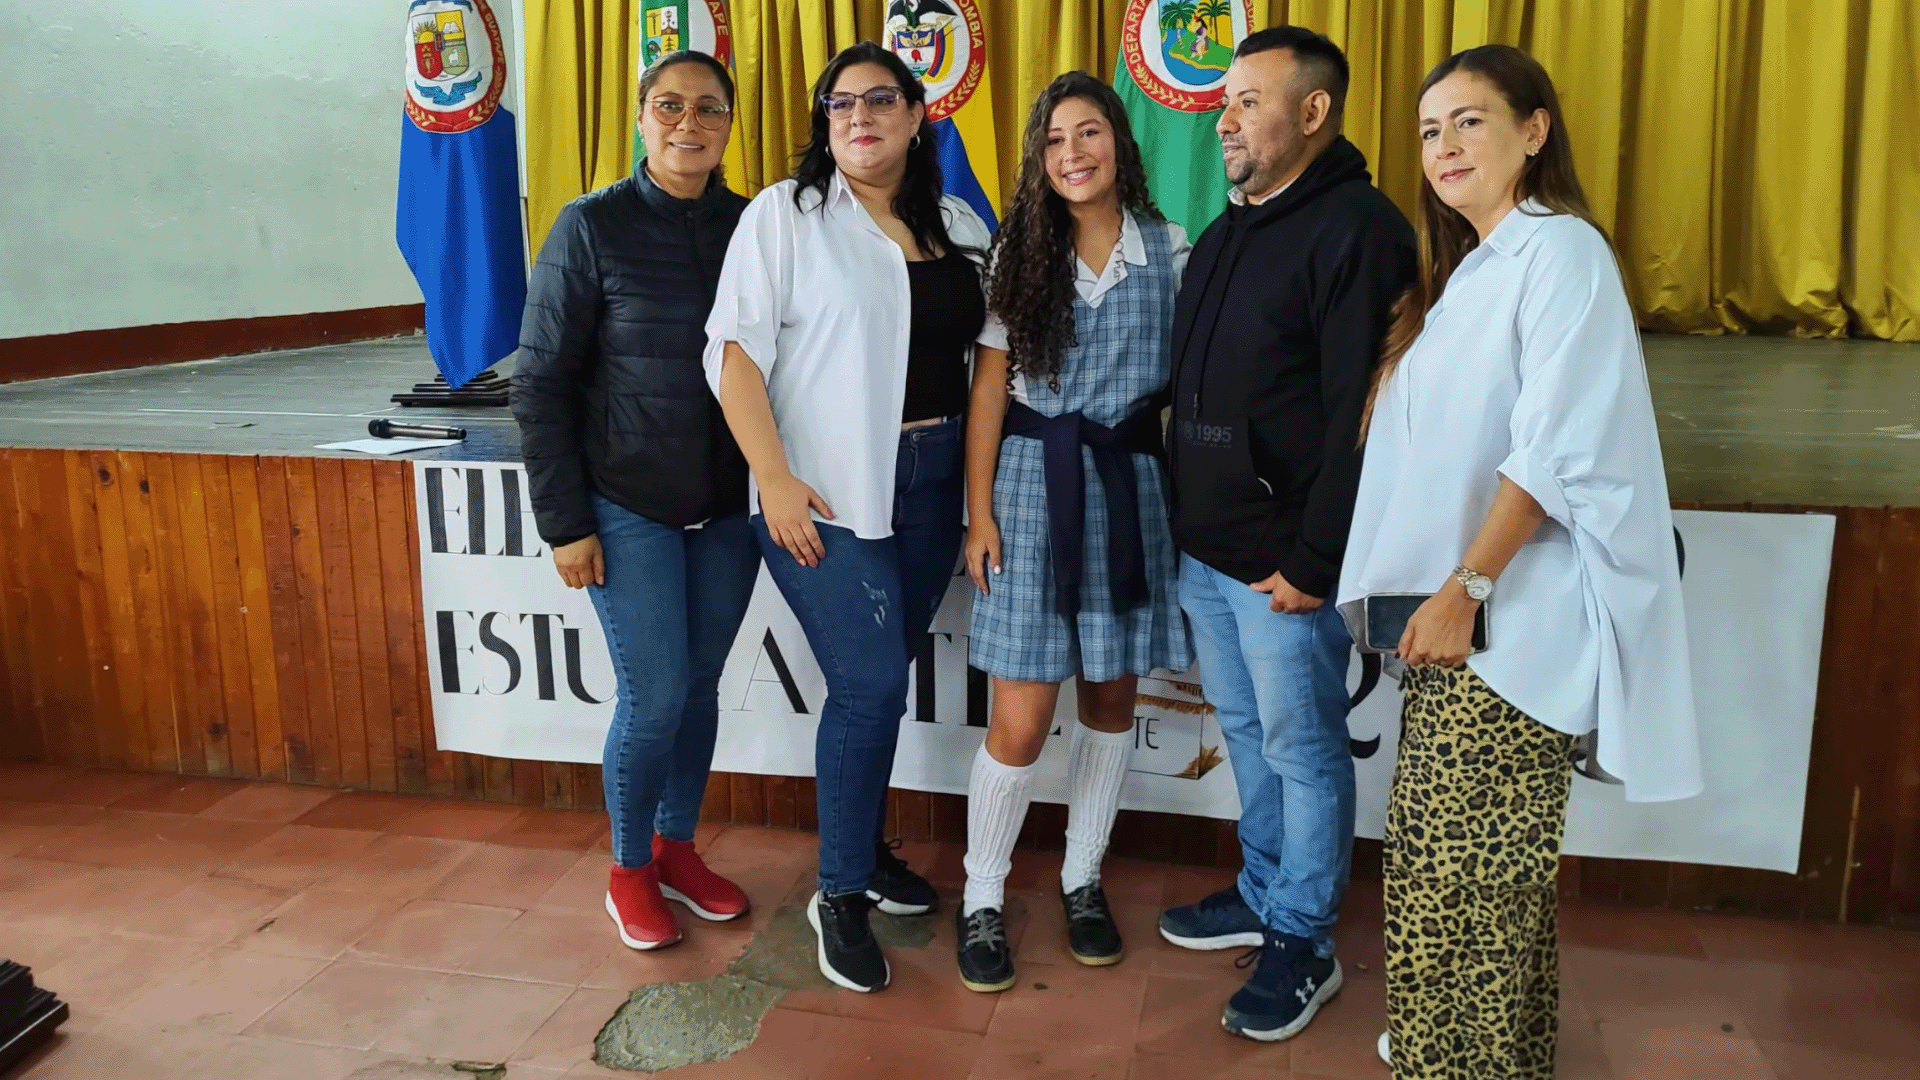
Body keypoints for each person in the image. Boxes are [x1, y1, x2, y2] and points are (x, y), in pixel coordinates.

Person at [1337, 44, 1700, 1077]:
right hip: (1465, 625)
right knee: (1466, 879)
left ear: (1534, 130)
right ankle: (1487, 1059)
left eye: (1470, 121)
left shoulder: (1560, 252)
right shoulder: (1475, 269)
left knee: (1465, 889)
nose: (1445, 146)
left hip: (1513, 630)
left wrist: (1466, 587)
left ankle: (1458, 1065)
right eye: (1430, 130)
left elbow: (1554, 449)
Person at [704, 41, 991, 994]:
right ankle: (838, 892)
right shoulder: (785, 216)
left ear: (917, 114)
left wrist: (978, 499)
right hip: (820, 495)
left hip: (932, 483)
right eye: (839, 104)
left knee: (882, 680)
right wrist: (773, 478)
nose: (857, 117)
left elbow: (988, 361)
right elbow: (733, 354)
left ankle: (863, 854)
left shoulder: (959, 224)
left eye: (878, 100)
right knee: (869, 685)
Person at [1156, 26, 1416, 1042]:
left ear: (1313, 112)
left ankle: (1303, 938)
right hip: (1209, 552)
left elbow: (1365, 413)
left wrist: (1314, 558)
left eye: (1248, 101)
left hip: (1283, 566)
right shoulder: (1230, 226)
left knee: (1304, 750)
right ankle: (1266, 891)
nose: (1224, 119)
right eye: (1224, 100)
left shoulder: (1360, 231)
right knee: (1251, 734)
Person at [510, 52, 756, 951]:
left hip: (726, 508)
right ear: (642, 118)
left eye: (709, 108)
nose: (689, 123)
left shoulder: (754, 225)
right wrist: (566, 524)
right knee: (653, 699)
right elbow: (540, 385)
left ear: (729, 123)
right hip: (625, 503)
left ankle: (676, 850)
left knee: (698, 690)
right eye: (670, 106)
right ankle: (628, 871)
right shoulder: (589, 225)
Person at [953, 72, 1192, 993]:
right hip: (1029, 487)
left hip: (1128, 486)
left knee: (1110, 703)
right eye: (1053, 141)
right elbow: (989, 389)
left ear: (1118, 143)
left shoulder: (1170, 247)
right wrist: (979, 512)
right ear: (1038, 159)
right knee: (1019, 720)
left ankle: (1082, 877)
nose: (1071, 153)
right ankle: (982, 893)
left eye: (1087, 133)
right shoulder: (1018, 252)